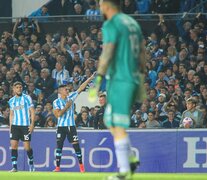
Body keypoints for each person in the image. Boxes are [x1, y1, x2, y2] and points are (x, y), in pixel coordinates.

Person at [89, 0, 146, 179]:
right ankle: (130, 159)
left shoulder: (111, 24)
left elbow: (108, 52)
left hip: (121, 79)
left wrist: (98, 77)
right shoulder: (132, 23)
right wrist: (141, 76)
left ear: (106, 5)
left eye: (100, 4)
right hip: (132, 78)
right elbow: (143, 51)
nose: (99, 8)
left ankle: (124, 172)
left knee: (118, 124)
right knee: (110, 121)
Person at [53, 74, 94, 172]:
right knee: (59, 146)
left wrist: (89, 78)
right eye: (65, 90)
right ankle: (58, 167)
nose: (68, 91)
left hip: (71, 126)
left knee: (76, 146)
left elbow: (80, 88)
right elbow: (58, 115)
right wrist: (66, 107)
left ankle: (81, 167)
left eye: (68, 89)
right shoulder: (56, 102)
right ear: (60, 91)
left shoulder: (71, 97)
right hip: (61, 127)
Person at [8, 81, 35, 172]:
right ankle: (14, 166)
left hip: (25, 126)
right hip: (15, 126)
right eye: (17, 87)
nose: (19, 89)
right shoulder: (11, 101)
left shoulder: (27, 98)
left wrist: (32, 124)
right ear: (14, 89)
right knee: (14, 146)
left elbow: (32, 111)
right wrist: (11, 127)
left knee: (27, 147)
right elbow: (11, 114)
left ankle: (31, 162)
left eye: (20, 87)